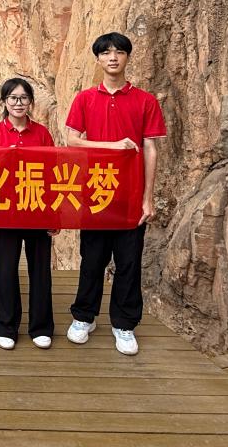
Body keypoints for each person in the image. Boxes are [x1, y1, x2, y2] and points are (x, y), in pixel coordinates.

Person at [65, 32, 166, 355]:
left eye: (119, 52)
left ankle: (124, 324)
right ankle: (84, 316)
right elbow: (72, 140)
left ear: (127, 57)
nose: (113, 57)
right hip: (94, 194)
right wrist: (113, 146)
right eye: (106, 52)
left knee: (128, 263)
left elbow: (151, 149)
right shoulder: (85, 99)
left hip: (130, 196)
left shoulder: (145, 101)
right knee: (91, 260)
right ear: (98, 59)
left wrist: (148, 197)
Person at [0, 78, 57, 351]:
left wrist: (54, 214)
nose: (18, 103)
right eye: (13, 98)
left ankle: (41, 327)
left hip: (37, 209)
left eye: (24, 98)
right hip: (5, 212)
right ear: (4, 102)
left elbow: (53, 174)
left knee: (40, 270)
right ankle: (5, 326)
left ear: (30, 102)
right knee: (4, 270)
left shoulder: (42, 134)